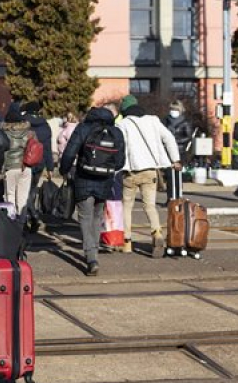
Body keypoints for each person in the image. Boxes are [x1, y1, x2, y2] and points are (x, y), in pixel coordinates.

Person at [59, 107, 125, 276]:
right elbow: (120, 162)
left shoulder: (83, 128)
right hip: (105, 181)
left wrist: (64, 170)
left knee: (85, 217)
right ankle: (93, 252)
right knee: (97, 217)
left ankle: (91, 257)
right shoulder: (116, 133)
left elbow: (69, 153)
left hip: (84, 178)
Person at [118, 103, 181, 257]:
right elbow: (169, 138)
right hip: (150, 171)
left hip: (130, 172)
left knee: (127, 206)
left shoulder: (122, 124)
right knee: (150, 206)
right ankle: (157, 233)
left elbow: (119, 147)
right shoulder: (153, 120)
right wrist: (175, 159)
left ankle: (127, 242)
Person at [21, 101, 54, 231]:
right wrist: (50, 167)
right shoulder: (45, 125)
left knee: (24, 192)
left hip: (24, 162)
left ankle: (31, 217)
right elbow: (47, 149)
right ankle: (32, 215)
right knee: (32, 191)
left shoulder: (22, 123)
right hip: (39, 163)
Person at [1, 113, 33, 221]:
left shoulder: (4, 133)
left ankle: (12, 223)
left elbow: (3, 153)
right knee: (23, 199)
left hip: (10, 167)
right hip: (26, 167)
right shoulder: (29, 132)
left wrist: (0, 171)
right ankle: (22, 224)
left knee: (10, 197)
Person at [163, 100, 193, 202]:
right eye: (171, 109)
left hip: (180, 151)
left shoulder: (185, 122)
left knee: (177, 175)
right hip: (167, 151)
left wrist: (175, 141)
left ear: (180, 110)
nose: (173, 111)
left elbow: (188, 137)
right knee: (169, 176)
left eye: (175, 109)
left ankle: (178, 197)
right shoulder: (165, 121)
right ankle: (170, 198)